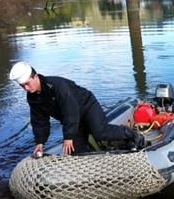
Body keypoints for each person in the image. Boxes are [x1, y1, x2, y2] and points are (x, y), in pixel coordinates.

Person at [9, 61, 144, 158]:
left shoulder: (57, 86)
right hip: (73, 120)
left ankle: (131, 134)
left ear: (36, 76)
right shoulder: (33, 98)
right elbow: (39, 121)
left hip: (86, 107)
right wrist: (40, 142)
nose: (26, 88)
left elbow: (70, 110)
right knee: (76, 153)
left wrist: (68, 137)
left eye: (27, 83)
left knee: (100, 132)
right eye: (22, 86)